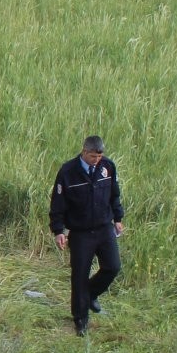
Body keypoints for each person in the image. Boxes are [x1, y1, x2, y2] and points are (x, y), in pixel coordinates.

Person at [49, 134, 123, 335]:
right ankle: (80, 320)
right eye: (92, 156)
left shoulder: (108, 167)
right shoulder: (68, 172)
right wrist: (59, 230)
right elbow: (58, 204)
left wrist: (118, 218)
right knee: (80, 275)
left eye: (99, 156)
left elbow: (114, 194)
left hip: (104, 227)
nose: (96, 160)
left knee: (113, 266)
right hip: (81, 232)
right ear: (84, 151)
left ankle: (90, 294)